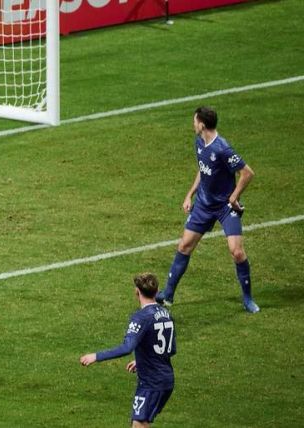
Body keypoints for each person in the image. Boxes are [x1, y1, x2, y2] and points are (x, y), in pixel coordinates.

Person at [156, 106, 259, 313]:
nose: (193, 124)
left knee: (237, 252)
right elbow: (203, 170)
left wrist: (233, 197)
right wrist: (190, 194)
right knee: (184, 246)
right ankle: (168, 295)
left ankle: (248, 299)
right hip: (203, 204)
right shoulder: (199, 142)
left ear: (202, 124)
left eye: (195, 121)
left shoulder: (222, 149)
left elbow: (247, 173)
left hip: (224, 207)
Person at [80, 273, 176, 427]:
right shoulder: (166, 314)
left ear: (137, 292)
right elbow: (169, 349)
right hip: (166, 379)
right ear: (157, 291)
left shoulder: (141, 317)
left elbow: (127, 348)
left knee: (139, 424)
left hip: (151, 383)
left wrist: (96, 356)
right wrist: (141, 360)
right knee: (139, 423)